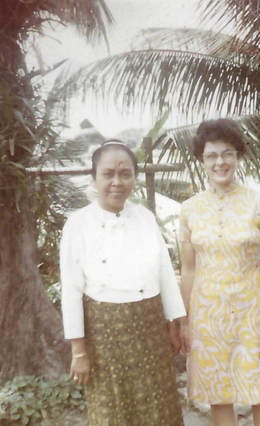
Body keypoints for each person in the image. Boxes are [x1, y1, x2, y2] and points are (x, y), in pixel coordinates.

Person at [60, 140, 186, 426]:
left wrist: (174, 323)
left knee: (160, 410)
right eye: (108, 174)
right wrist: (79, 351)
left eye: (125, 173)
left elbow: (164, 273)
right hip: (105, 335)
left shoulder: (145, 218)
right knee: (113, 412)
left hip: (150, 328)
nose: (117, 182)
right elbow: (71, 290)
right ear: (94, 178)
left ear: (134, 178)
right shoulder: (77, 224)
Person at [179, 119, 260, 426]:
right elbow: (188, 269)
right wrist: (185, 321)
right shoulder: (190, 209)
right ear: (202, 160)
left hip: (253, 317)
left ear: (238, 156)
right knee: (220, 398)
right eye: (211, 155)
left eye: (227, 153)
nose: (220, 162)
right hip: (207, 320)